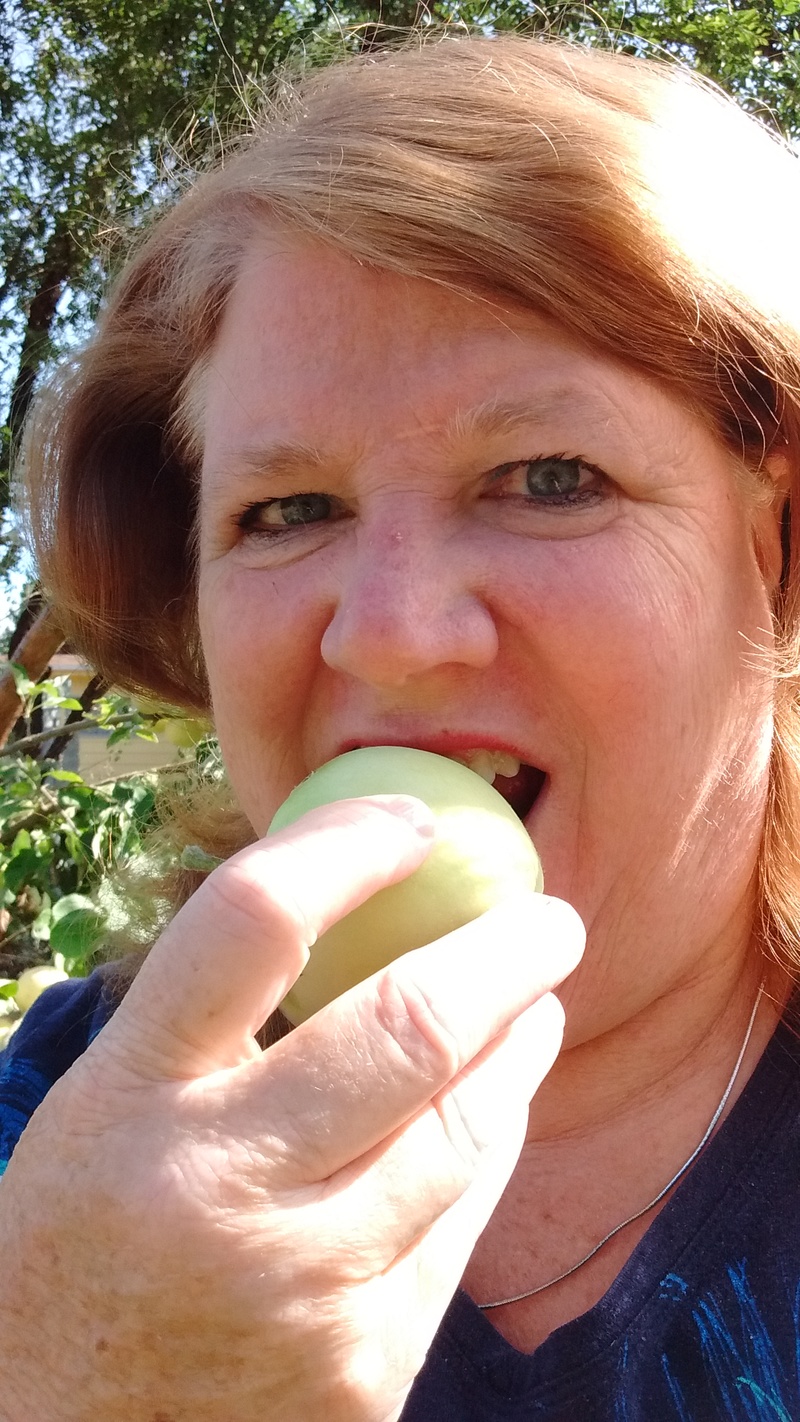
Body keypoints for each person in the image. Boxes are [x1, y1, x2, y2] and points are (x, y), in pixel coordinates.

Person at [2, 32, 800, 1420]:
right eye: (287, 510)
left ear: (778, 551)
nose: (388, 631)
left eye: (549, 476)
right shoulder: (56, 1137)